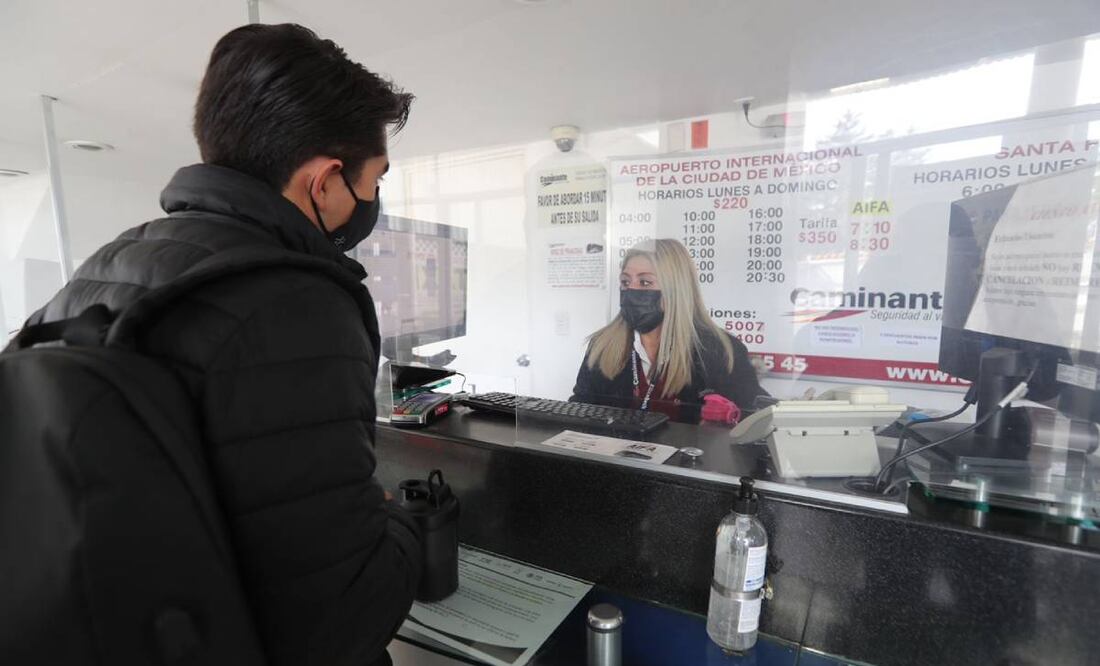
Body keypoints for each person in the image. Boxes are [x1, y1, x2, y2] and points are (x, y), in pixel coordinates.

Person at [30, 24, 419, 666]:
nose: (372, 200)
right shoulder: (296, 302)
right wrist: (399, 521)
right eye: (372, 180)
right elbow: (342, 619)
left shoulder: (104, 264)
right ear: (323, 182)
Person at [571, 239, 767, 423]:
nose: (631, 291)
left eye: (645, 282)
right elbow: (580, 410)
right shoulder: (603, 345)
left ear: (675, 289)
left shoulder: (721, 351)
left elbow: (754, 420)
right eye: (625, 282)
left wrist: (729, 419)